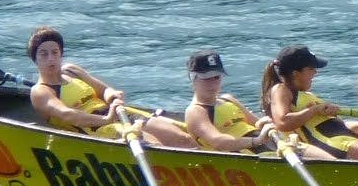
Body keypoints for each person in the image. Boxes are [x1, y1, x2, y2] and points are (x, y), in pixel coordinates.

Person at [27, 26, 194, 145]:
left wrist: (113, 96)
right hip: (95, 127)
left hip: (118, 114)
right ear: (35, 59)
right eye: (43, 54)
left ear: (61, 53)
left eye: (55, 52)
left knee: (183, 138)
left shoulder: (72, 71)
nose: (51, 58)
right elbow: (69, 115)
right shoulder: (40, 91)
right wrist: (106, 119)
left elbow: (104, 90)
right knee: (155, 146)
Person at [261, 44, 358, 160]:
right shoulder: (281, 89)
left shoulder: (306, 95)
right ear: (295, 73)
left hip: (337, 137)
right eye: (311, 68)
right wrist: (315, 110)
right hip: (322, 145)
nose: (315, 72)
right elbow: (282, 122)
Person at [182, 50, 277, 154]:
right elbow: (219, 142)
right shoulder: (195, 111)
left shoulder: (228, 99)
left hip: (267, 147)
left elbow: (256, 123)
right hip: (248, 155)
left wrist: (264, 123)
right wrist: (257, 141)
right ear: (192, 78)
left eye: (216, 77)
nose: (213, 84)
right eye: (206, 78)